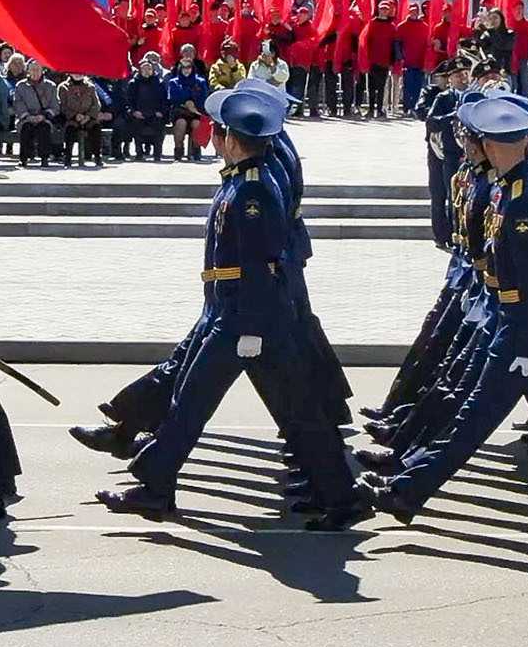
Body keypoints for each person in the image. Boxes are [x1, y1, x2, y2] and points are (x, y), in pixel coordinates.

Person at [357, 96, 528, 539]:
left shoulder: (525, 200)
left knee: (474, 418)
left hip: (525, 330)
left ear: (498, 143)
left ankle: (406, 492)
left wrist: (527, 344)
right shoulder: (512, 186)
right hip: (522, 328)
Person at [96, 89, 371, 531]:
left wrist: (249, 327)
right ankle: (340, 496)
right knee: (292, 412)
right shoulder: (244, 179)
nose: (214, 138)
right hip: (238, 313)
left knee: (193, 403)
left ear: (231, 138)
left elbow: (263, 265)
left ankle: (156, 487)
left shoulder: (253, 191)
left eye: (218, 132)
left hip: (246, 318)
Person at [12, 61, 58, 166]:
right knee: (26, 128)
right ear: (28, 71)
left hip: (44, 117)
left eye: (38, 70)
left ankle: (44, 158)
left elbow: (55, 105)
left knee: (44, 128)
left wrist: (44, 115)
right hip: (26, 118)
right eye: (32, 69)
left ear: (42, 71)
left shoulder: (51, 86)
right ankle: (24, 158)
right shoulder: (21, 86)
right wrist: (27, 116)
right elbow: (18, 103)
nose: (35, 72)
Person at [126, 53, 170, 160]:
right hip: (139, 113)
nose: (147, 71)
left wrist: (161, 112)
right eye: (144, 69)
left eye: (149, 69)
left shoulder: (159, 83)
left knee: (159, 125)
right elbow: (128, 101)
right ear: (140, 70)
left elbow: (165, 101)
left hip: (155, 113)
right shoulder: (134, 83)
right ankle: (139, 153)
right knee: (135, 124)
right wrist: (133, 112)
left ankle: (157, 154)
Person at [57, 69, 104, 166]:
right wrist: (74, 115)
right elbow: (62, 105)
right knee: (70, 129)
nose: (78, 74)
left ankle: (97, 156)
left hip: (88, 118)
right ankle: (68, 157)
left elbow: (97, 105)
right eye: (75, 71)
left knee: (96, 127)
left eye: (80, 72)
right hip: (71, 118)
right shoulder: (63, 87)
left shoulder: (90, 87)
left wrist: (88, 116)